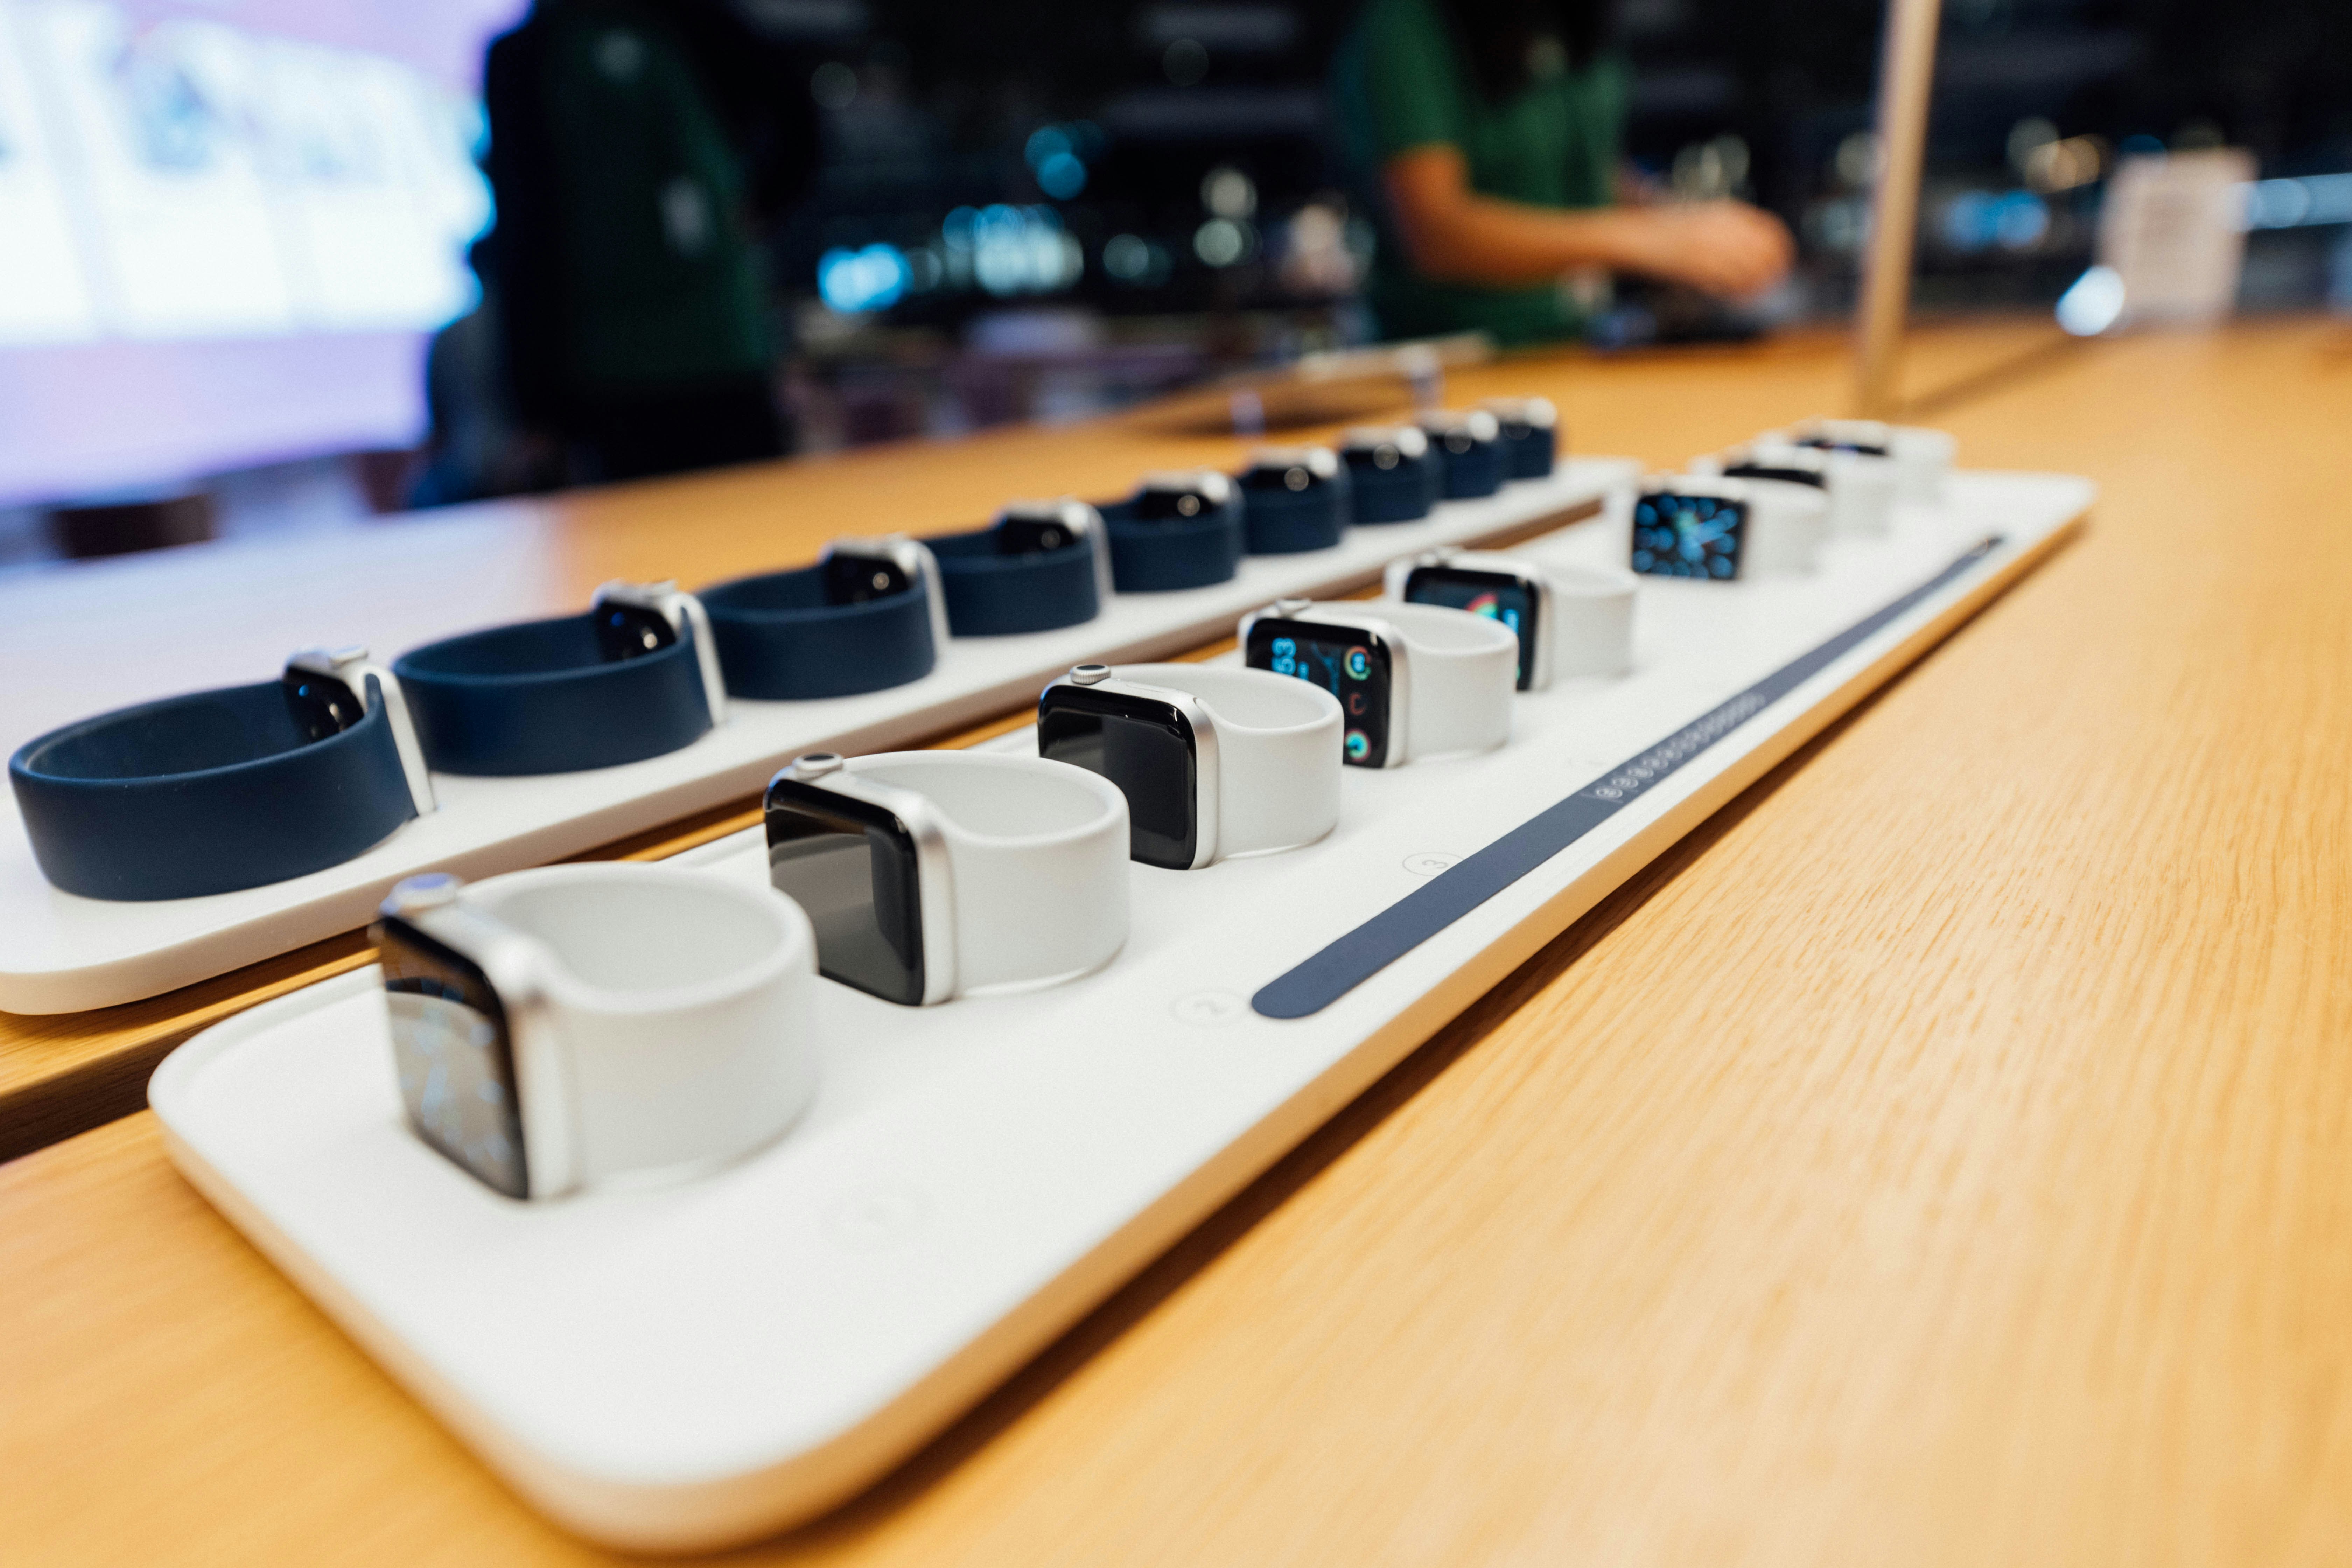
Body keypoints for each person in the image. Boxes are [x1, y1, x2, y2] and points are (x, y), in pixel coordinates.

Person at [482, 0, 818, 484]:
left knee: (758, 525)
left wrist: (753, 209)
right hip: (606, 370)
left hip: (725, 348)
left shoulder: (696, 25)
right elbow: (523, 230)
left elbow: (798, 126)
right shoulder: (530, 52)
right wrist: (535, 405)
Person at [1332, 0, 1794, 345]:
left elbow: (1587, 174)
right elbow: (1435, 232)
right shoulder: (1406, 26)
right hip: (1455, 360)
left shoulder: (1568, 18)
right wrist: (1643, 239)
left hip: (1576, 341)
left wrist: (1687, 228)